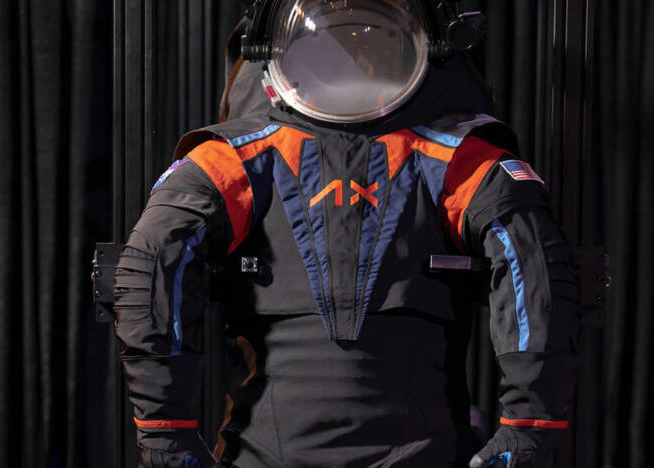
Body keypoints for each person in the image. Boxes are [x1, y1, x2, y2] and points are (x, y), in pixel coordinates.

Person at [113, 1, 581, 467]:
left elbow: (535, 269)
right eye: (337, 46)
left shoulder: (238, 159)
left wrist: (164, 434)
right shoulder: (456, 159)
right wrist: (529, 430)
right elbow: (152, 263)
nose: (352, 60)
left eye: (366, 45)